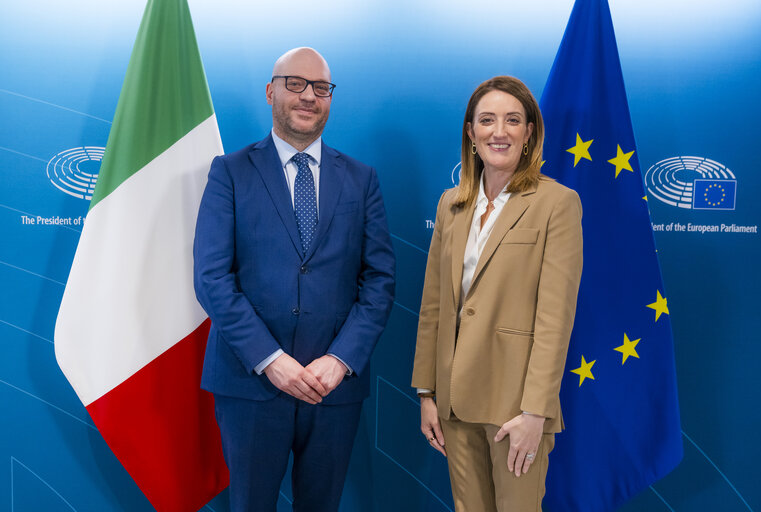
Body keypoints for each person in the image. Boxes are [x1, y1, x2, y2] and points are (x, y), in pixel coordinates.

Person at [193, 47, 395, 512]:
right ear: (271, 91)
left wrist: (341, 360)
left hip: (333, 387)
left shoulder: (362, 180)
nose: (309, 96)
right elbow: (211, 278)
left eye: (321, 87)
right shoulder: (230, 172)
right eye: (295, 84)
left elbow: (380, 280)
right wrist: (271, 359)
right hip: (252, 385)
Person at [411, 76, 583, 512]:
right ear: (471, 133)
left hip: (516, 408)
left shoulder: (556, 203)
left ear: (529, 134)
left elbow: (554, 320)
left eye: (512, 120)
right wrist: (426, 394)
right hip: (452, 402)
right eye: (487, 120)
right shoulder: (451, 204)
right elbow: (434, 307)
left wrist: (535, 413)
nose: (498, 131)